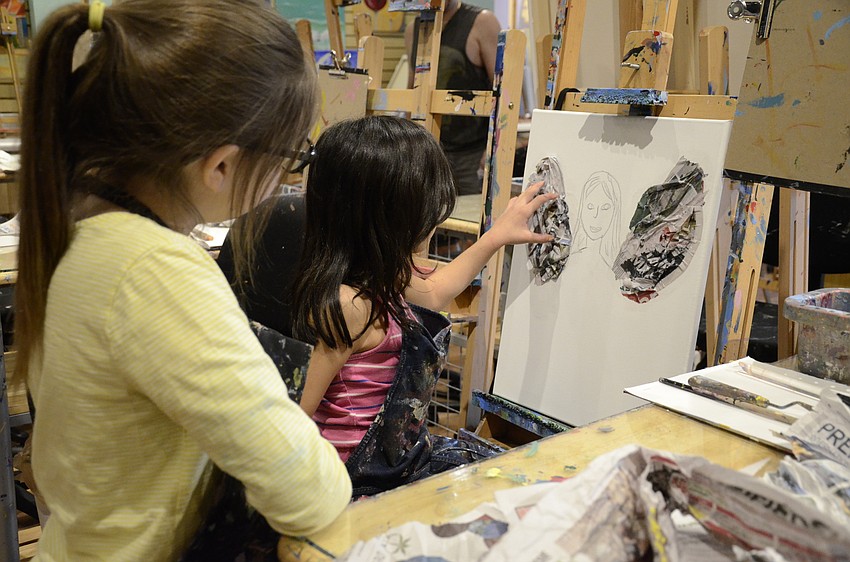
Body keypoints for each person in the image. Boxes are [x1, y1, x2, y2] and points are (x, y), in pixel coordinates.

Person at [15, 1, 351, 560]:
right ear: (220, 166)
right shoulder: (156, 271)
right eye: (294, 154)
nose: (294, 172)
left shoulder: (80, 224)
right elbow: (310, 493)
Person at [291, 115, 555, 496]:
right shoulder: (348, 305)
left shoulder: (386, 278)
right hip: (353, 484)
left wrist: (497, 236)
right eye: (428, 213)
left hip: (398, 466)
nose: (435, 224)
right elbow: (294, 416)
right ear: (390, 219)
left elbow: (434, 293)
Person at [405, 0, 501, 195]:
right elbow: (413, 89)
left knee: (474, 221)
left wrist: (493, 149)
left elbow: (504, 91)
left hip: (472, 155)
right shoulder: (414, 28)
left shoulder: (482, 22)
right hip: (429, 153)